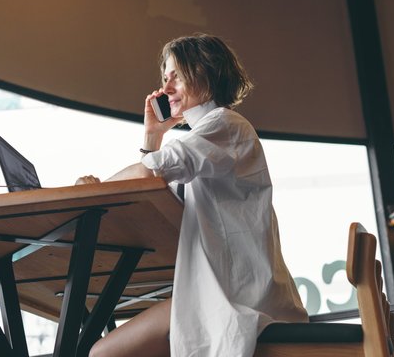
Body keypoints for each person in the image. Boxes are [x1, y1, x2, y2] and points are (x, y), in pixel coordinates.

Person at [77, 33, 308, 357]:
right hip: (229, 290)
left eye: (178, 77)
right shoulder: (210, 137)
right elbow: (156, 177)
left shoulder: (224, 124)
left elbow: (152, 172)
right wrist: (154, 134)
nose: (166, 87)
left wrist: (94, 189)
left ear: (207, 74)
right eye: (165, 77)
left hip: (238, 298)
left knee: (103, 353)